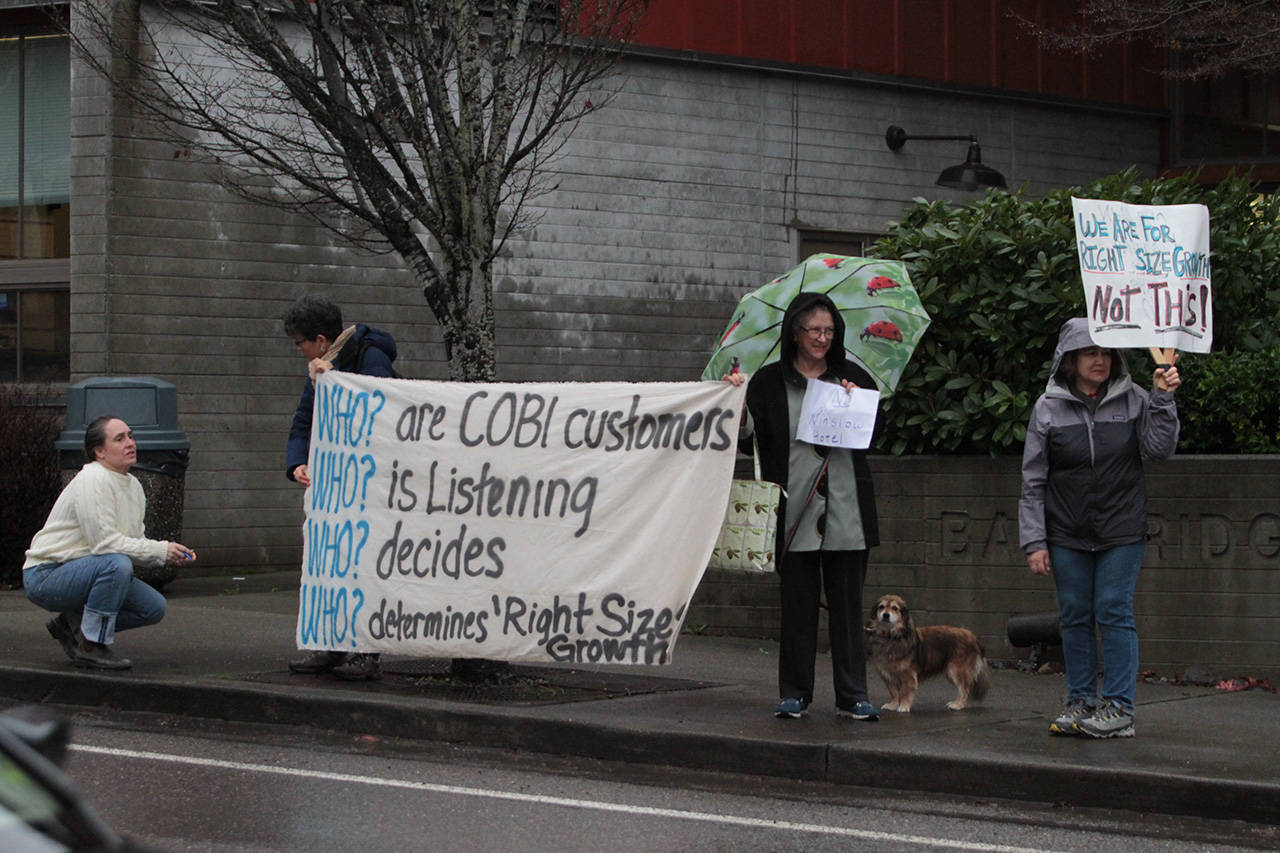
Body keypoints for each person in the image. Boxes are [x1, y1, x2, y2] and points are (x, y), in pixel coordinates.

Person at [1019, 317, 1181, 739]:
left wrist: (1163, 400)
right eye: (1090, 352)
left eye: (1106, 352)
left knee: (1113, 610)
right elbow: (1033, 479)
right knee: (1074, 616)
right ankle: (1080, 701)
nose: (1100, 360)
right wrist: (1035, 539)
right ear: (1069, 359)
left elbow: (1160, 450)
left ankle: (1120, 709)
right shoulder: (1048, 407)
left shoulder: (1135, 399)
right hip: (1067, 532)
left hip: (1121, 529)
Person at [725, 291, 881, 721]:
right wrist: (736, 406)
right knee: (797, 609)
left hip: (846, 515)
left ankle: (853, 696)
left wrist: (857, 402)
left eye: (829, 330)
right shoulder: (769, 381)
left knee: (848, 612)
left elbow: (875, 433)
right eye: (814, 329)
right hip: (793, 512)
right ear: (794, 332)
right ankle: (795, 693)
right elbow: (748, 438)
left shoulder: (852, 376)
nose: (822, 338)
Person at [282, 293, 398, 681]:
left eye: (300, 343)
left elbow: (380, 404)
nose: (299, 351)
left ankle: (368, 649)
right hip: (337, 484)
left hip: (373, 483)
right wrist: (297, 462)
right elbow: (304, 420)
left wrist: (332, 381)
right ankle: (331, 642)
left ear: (320, 340)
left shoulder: (369, 354)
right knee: (332, 560)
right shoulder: (319, 370)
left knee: (366, 561)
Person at [23, 416, 193, 671]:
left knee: (152, 607)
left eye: (130, 436)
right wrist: (159, 550)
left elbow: (133, 541)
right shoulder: (93, 479)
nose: (130, 443)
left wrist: (167, 552)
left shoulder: (133, 485)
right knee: (116, 564)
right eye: (119, 438)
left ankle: (70, 626)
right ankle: (90, 645)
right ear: (99, 451)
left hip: (85, 569)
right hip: (47, 574)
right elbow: (104, 544)